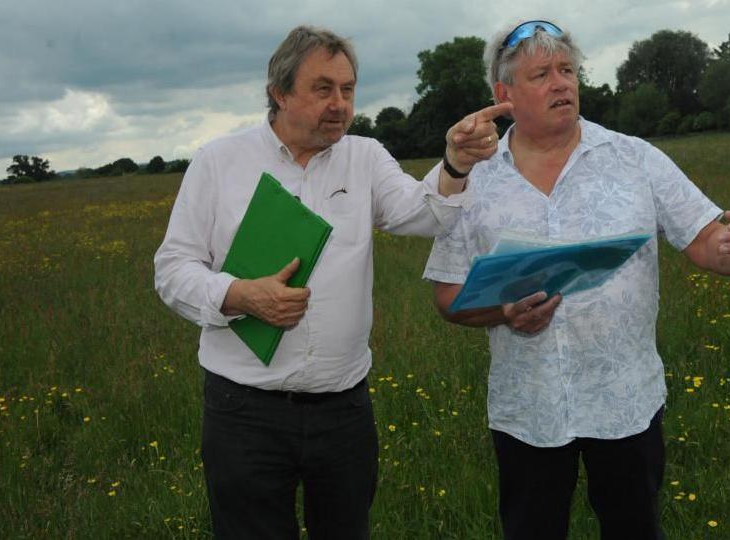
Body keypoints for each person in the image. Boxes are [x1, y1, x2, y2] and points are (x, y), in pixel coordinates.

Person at [423, 20, 730, 540]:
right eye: (541, 74)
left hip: (626, 403)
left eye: (567, 70)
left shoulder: (634, 158)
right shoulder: (472, 179)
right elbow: (447, 296)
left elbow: (708, 242)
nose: (561, 83)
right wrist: (503, 313)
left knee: (635, 528)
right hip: (528, 411)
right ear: (504, 95)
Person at [153, 25, 507, 540]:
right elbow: (173, 267)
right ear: (279, 92)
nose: (340, 104)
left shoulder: (364, 156)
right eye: (323, 89)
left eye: (347, 89)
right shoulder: (218, 162)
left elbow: (421, 214)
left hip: (343, 411)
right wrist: (238, 295)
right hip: (243, 411)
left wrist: (454, 162)